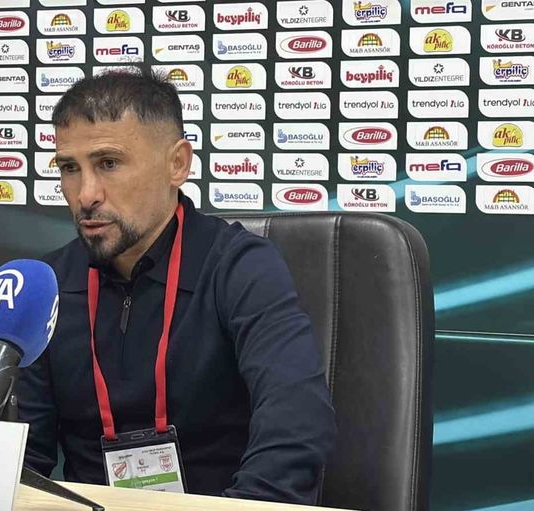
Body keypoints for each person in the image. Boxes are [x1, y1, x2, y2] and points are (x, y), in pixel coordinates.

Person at [17, 68, 336, 504]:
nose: (86, 194)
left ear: (177, 164)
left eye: (109, 163)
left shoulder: (240, 267)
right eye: (70, 168)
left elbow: (297, 423)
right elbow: (20, 462)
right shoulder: (44, 287)